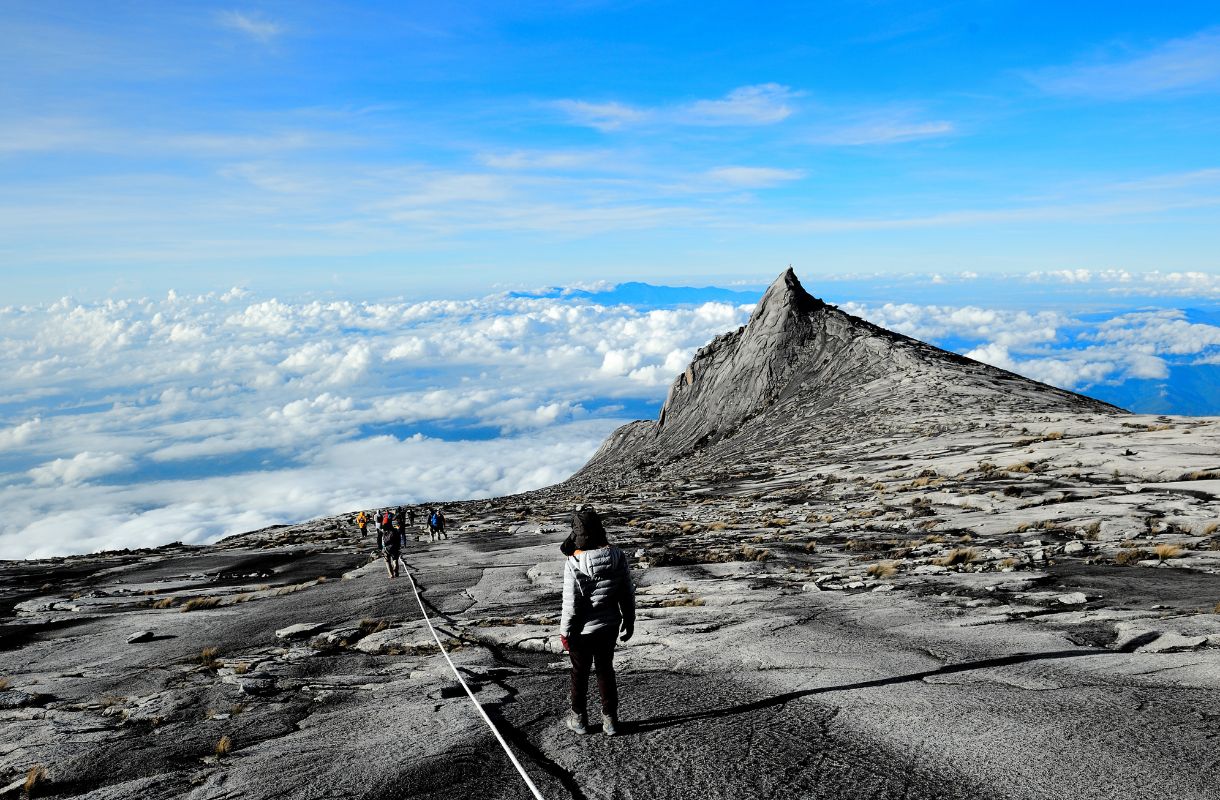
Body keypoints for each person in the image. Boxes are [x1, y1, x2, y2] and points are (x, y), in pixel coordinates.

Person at [559, 506, 635, 737]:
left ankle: (579, 720)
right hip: (609, 626)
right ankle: (610, 721)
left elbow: (571, 604)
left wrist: (565, 632)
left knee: (579, 673)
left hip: (581, 631)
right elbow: (626, 592)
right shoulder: (617, 555)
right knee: (605, 671)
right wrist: (629, 619)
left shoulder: (573, 562)